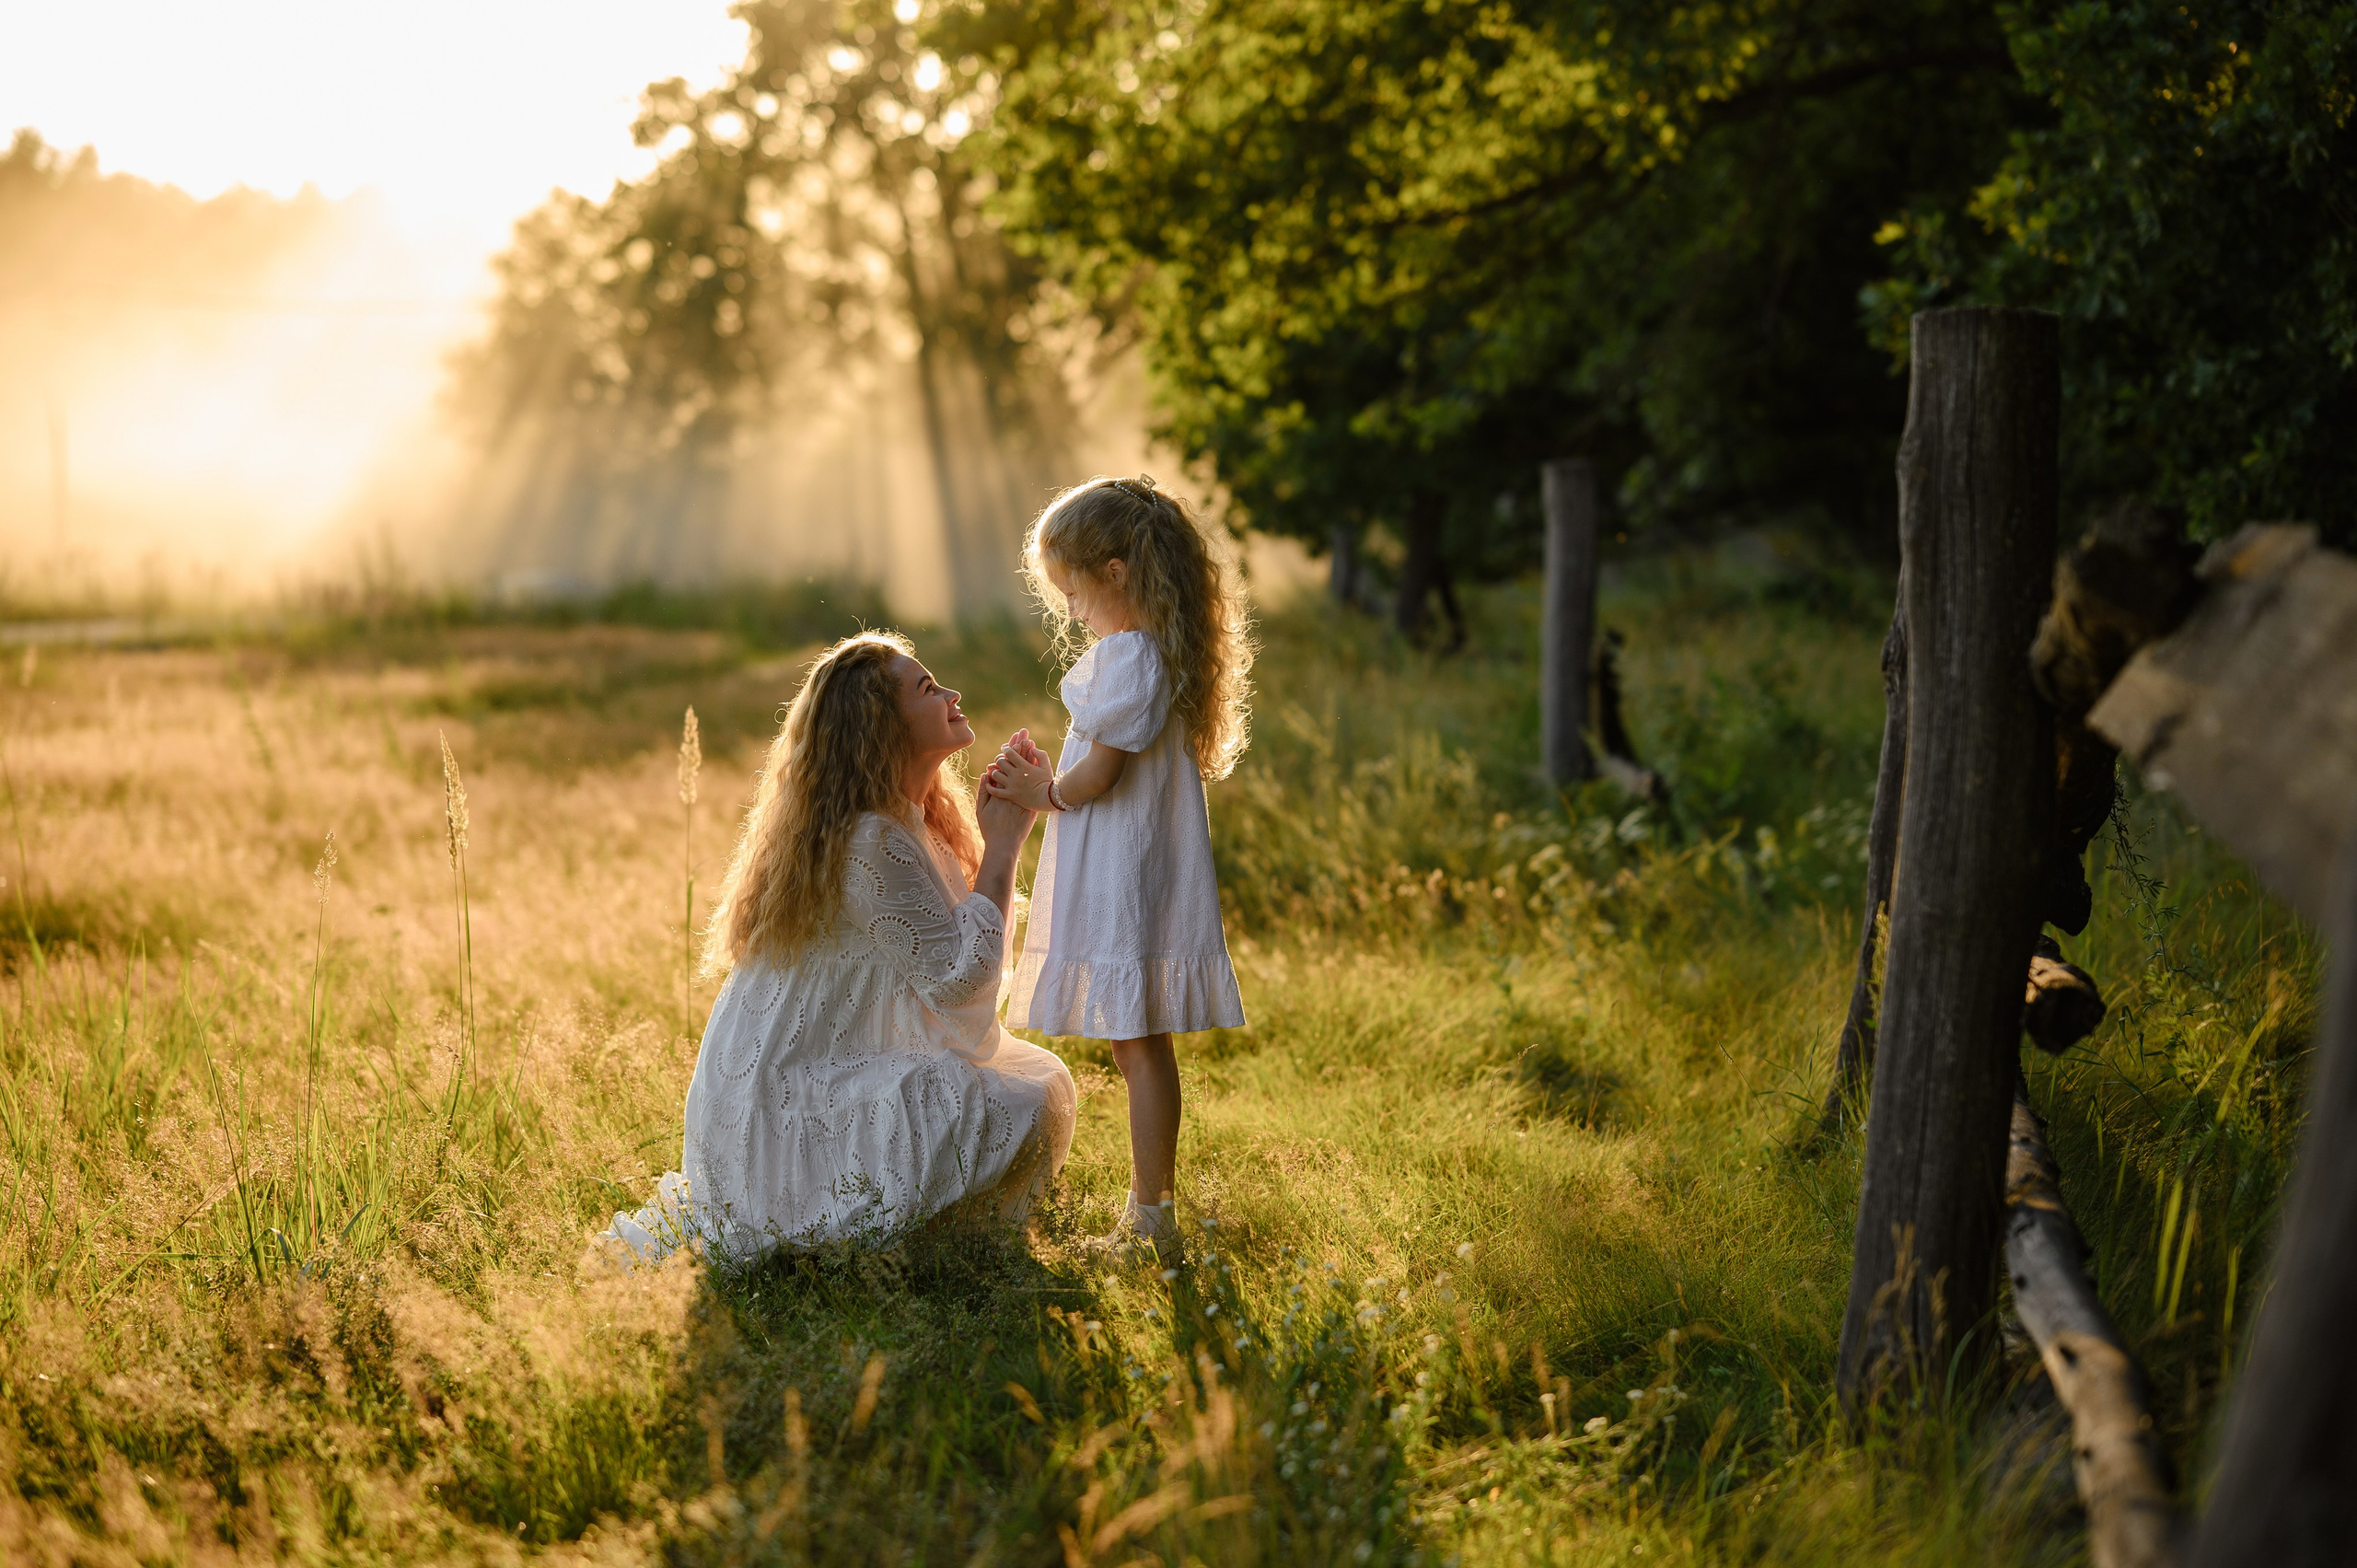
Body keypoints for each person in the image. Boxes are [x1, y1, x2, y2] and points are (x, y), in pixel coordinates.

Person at [600, 633, 1075, 1262]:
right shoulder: (870, 841)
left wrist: (1000, 834)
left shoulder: (912, 822)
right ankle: (896, 1244)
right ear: (879, 726)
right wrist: (1007, 844)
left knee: (1034, 1078)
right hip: (780, 1105)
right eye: (928, 689)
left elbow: (955, 966)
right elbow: (962, 992)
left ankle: (926, 1239)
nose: (954, 694)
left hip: (831, 1067)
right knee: (1024, 1098)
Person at [984, 475, 1254, 1263]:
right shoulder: (1158, 650)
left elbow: (1097, 777)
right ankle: (1153, 1209)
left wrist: (1044, 791)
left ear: (1116, 571)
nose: (1071, 612)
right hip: (1140, 857)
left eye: (1073, 592)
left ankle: (1153, 1218)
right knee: (1141, 1042)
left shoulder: (1129, 656)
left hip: (1126, 868)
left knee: (1138, 1045)